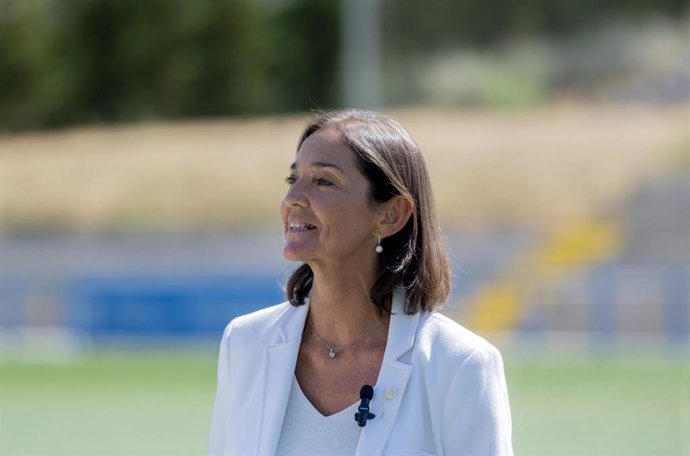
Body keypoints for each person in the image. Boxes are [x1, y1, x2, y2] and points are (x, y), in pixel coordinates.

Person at [209, 110, 513, 455]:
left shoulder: (461, 364)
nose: (294, 198)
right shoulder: (245, 343)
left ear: (391, 214)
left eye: (324, 181)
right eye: (293, 180)